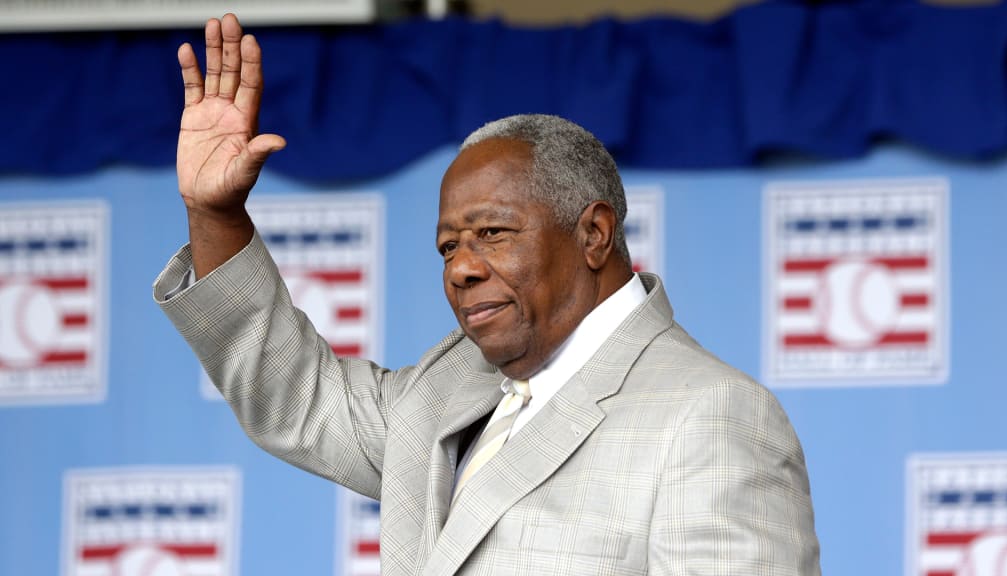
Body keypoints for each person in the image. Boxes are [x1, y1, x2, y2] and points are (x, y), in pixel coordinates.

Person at [154, 14, 820, 576]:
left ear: (593, 234)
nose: (461, 269)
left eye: (492, 234)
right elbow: (298, 396)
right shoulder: (449, 389)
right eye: (449, 247)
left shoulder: (711, 416)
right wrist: (216, 216)